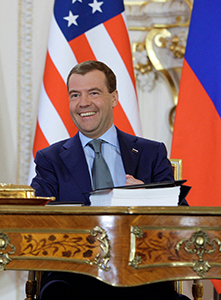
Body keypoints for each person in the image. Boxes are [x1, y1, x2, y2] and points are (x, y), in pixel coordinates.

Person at [31, 60, 185, 300]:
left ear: (114, 98)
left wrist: (146, 199)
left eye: (94, 93)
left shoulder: (150, 153)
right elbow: (38, 219)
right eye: (75, 95)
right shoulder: (50, 159)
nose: (83, 103)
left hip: (139, 271)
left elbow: (182, 217)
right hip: (74, 273)